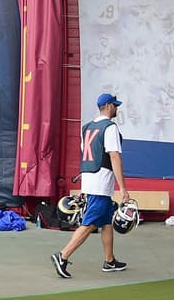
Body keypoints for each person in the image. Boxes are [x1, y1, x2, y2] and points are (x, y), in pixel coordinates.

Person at [52, 93, 130, 278]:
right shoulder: (110, 128)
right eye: (115, 106)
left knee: (106, 221)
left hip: (91, 179)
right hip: (101, 183)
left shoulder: (86, 128)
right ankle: (62, 256)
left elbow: (88, 156)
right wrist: (123, 188)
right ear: (109, 106)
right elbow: (114, 156)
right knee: (89, 224)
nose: (117, 109)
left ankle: (109, 261)